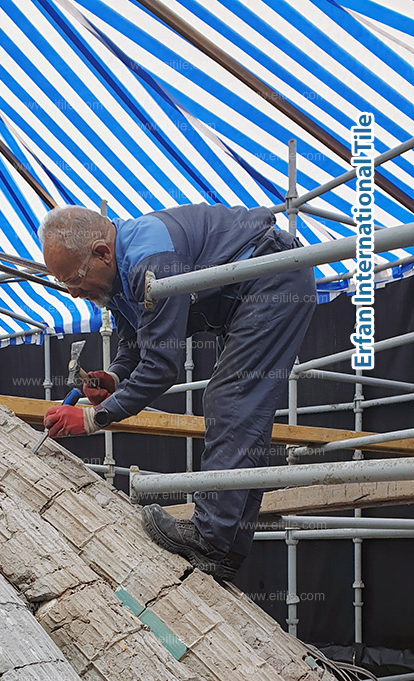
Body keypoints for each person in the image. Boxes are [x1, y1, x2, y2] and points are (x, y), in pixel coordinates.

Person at [39, 203, 316, 583]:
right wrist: (115, 379)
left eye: (75, 280)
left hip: (272, 278)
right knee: (245, 417)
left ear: (102, 252)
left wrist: (92, 417)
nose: (73, 293)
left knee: (231, 402)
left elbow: (161, 365)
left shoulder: (149, 259)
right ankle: (229, 546)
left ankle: (210, 538)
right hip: (254, 291)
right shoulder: (118, 273)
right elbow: (133, 342)